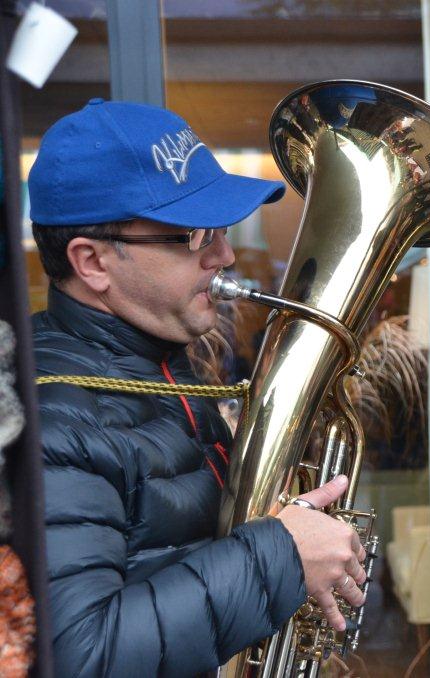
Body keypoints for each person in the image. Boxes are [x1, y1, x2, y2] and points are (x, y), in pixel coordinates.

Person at [29, 99, 366, 676]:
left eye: (222, 229)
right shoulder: (54, 416)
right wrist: (281, 556)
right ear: (93, 263)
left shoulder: (159, 367)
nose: (225, 254)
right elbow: (81, 655)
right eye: (194, 235)